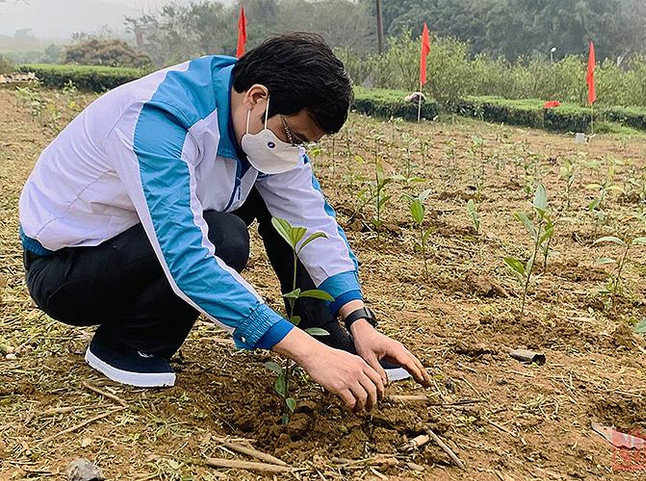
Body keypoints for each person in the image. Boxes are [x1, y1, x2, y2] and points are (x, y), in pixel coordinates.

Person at [19, 32, 429, 413]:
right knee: (223, 236)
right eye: (294, 137)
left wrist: (359, 319)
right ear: (257, 97)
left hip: (135, 240)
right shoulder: (158, 122)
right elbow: (188, 261)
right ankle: (127, 344)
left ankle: (325, 330)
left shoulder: (256, 122)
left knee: (280, 201)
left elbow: (310, 219)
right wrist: (306, 353)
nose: (294, 150)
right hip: (69, 269)